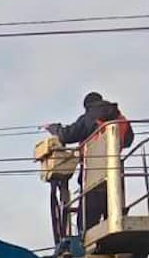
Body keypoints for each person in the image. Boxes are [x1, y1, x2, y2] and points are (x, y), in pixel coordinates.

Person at [46, 91, 133, 228]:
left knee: (86, 227)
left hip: (92, 176)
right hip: (115, 175)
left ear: (87, 106)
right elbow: (128, 140)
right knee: (113, 214)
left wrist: (54, 128)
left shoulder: (89, 116)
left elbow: (66, 136)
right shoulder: (120, 117)